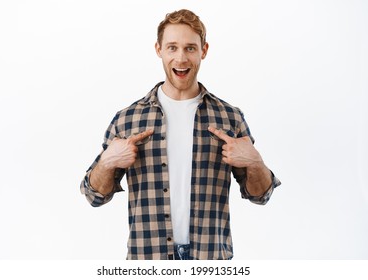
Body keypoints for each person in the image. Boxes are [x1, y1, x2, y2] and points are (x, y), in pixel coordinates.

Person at [80, 9, 281, 260]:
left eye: (190, 48)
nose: (181, 58)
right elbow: (93, 196)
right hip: (148, 259)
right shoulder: (127, 120)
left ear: (203, 51)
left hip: (210, 259)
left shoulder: (230, 118)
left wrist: (255, 162)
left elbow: (260, 195)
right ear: (159, 50)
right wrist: (107, 162)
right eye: (172, 48)